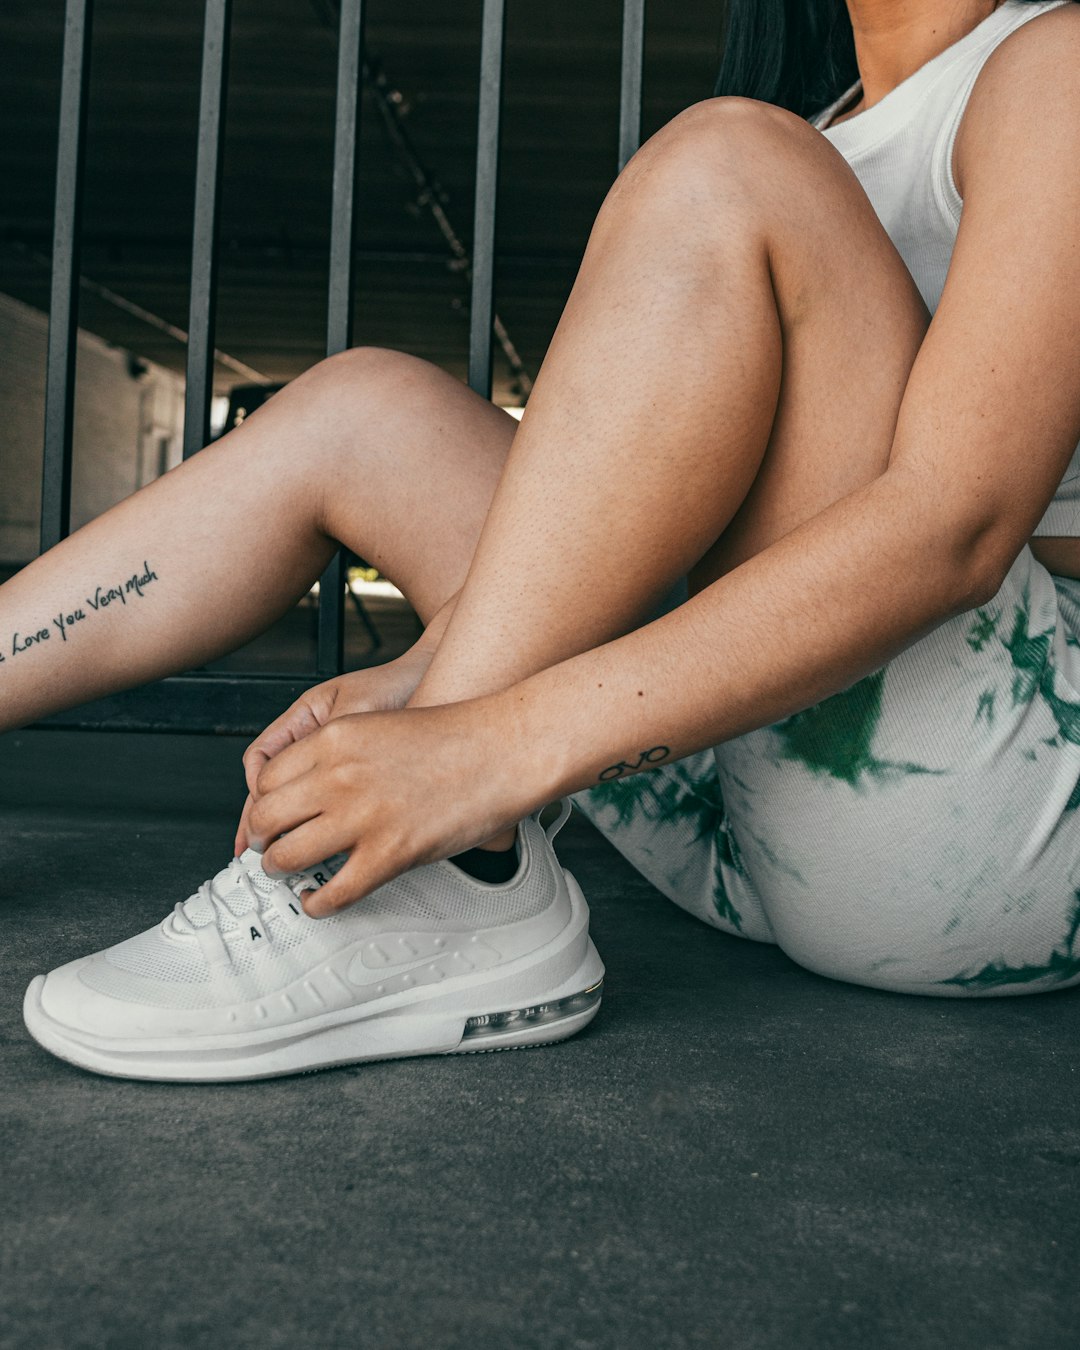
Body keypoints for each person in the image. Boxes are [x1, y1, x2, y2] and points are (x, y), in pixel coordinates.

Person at [10, 0, 1080, 1079]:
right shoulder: (825, 126)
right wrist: (436, 675)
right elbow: (628, 511)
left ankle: (458, 873)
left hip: (990, 819)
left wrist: (482, 749)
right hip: (750, 809)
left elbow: (958, 528)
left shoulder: (1052, 63)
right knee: (370, 413)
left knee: (731, 160)